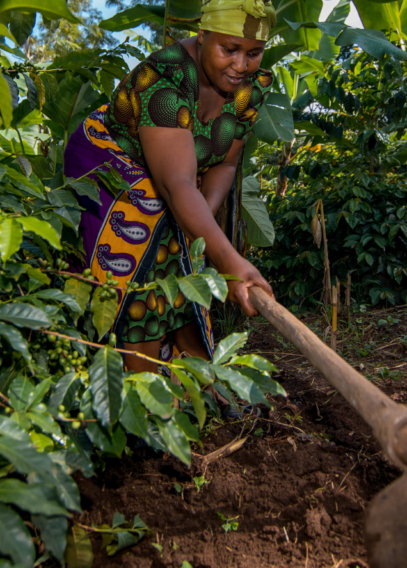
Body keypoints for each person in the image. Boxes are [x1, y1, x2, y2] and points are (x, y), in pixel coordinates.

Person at [64, 0, 275, 376]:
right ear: (202, 34)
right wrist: (230, 262)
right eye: (229, 49)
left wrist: (198, 231)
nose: (241, 65)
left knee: (184, 247)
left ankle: (190, 375)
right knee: (147, 236)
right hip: (109, 160)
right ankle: (140, 377)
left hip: (174, 176)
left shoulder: (250, 90)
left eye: (254, 53)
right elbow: (176, 184)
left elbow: (225, 163)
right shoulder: (163, 79)